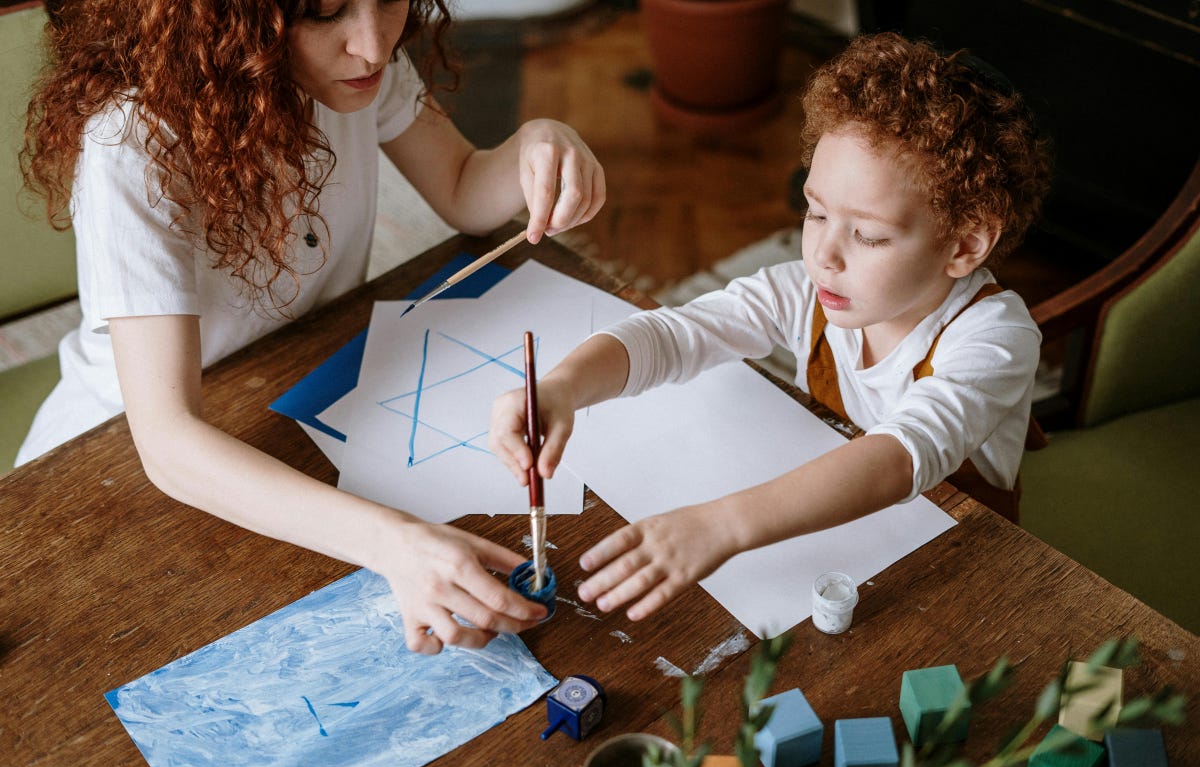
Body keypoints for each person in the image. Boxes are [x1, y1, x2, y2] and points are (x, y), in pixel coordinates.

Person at [18, 0, 605, 653]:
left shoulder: (349, 69)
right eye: (326, 12)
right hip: (112, 468)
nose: (375, 45)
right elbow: (167, 441)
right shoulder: (133, 144)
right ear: (229, 19)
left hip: (305, 396)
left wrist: (539, 143)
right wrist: (394, 542)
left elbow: (465, 189)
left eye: (387, 0)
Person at [490, 32, 1051, 623]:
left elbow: (899, 457)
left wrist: (721, 524)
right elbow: (677, 334)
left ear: (964, 245)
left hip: (965, 563)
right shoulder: (807, 291)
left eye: (869, 235)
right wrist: (563, 387)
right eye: (815, 212)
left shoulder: (994, 335)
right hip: (843, 537)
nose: (824, 255)